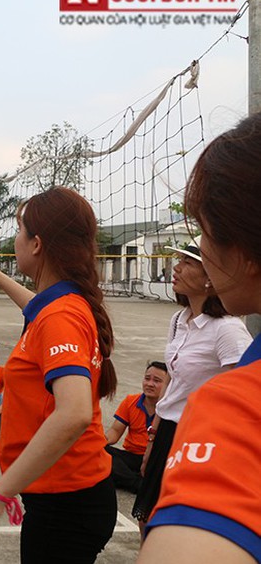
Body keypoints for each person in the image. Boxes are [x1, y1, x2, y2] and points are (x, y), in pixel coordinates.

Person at [0, 188, 119, 563]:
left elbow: (73, 413)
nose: (15, 239)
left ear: (37, 244)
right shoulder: (62, 305)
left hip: (68, 504)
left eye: (19, 230)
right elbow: (38, 309)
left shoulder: (60, 316)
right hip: (66, 495)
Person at [138, 112, 261, 564]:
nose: (191, 260)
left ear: (244, 252)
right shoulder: (179, 321)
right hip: (173, 430)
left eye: (202, 234)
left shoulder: (234, 385)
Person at [131, 237, 250, 533]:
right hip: (169, 428)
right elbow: (173, 383)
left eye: (187, 262)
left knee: (176, 522)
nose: (177, 267)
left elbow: (242, 393)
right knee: (147, 517)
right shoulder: (179, 319)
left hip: (199, 435)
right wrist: (152, 437)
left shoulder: (228, 329)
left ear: (210, 277)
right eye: (179, 261)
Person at [104, 362, 168, 494]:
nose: (149, 384)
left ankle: (126, 479)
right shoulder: (130, 401)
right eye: (147, 378)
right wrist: (98, 442)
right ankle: (138, 483)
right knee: (102, 452)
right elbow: (115, 432)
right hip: (132, 456)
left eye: (157, 381)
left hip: (156, 459)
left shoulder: (171, 409)